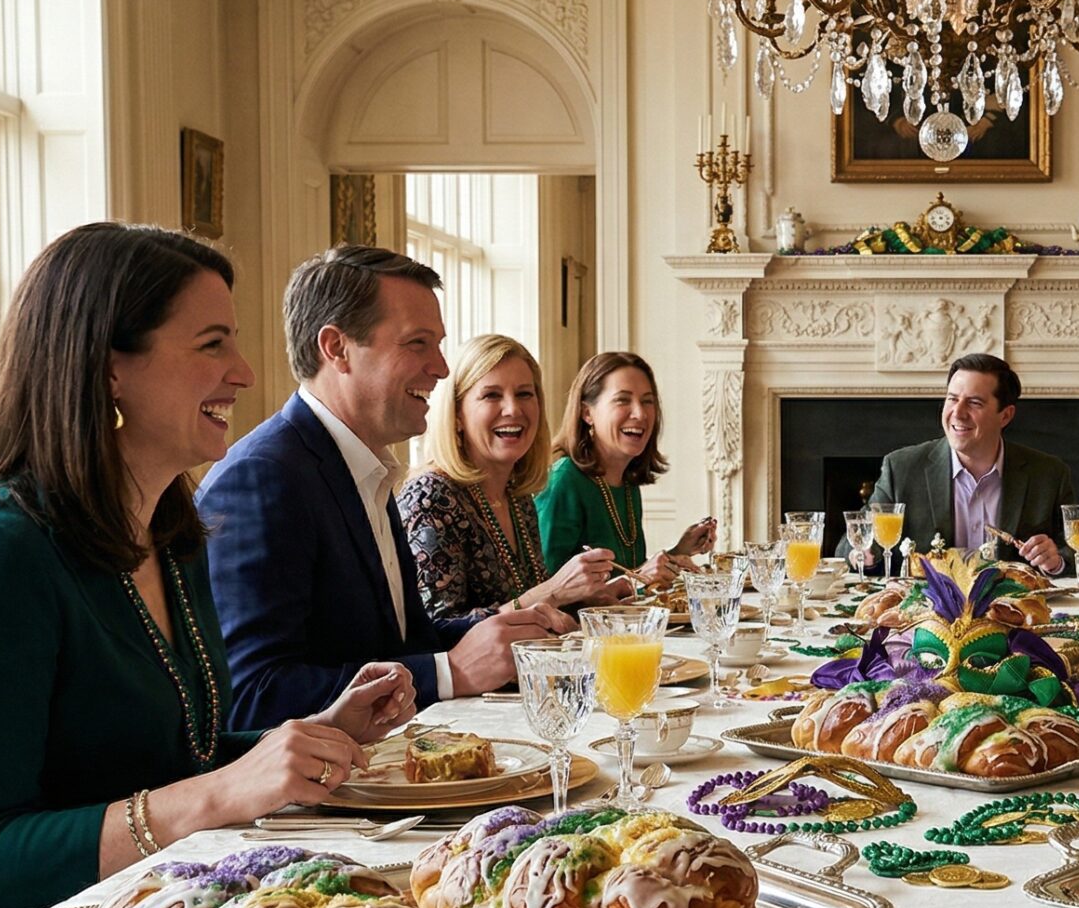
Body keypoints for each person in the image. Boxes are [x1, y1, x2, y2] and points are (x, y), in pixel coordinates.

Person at [0, 224, 414, 908]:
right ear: (108, 367)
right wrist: (221, 792)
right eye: (212, 344)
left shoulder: (170, 533)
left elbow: (161, 751)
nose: (245, 371)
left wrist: (311, 735)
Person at [199, 246, 570, 730]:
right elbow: (249, 698)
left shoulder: (365, 465)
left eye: (438, 344)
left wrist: (503, 633)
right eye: (417, 343)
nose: (440, 367)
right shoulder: (264, 477)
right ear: (336, 348)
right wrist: (449, 671)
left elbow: (392, 646)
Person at [399, 333, 631, 621]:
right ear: (457, 414)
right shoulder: (430, 496)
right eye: (491, 395)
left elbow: (531, 606)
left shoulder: (517, 495)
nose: (513, 409)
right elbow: (437, 634)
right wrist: (556, 591)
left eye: (524, 394)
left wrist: (585, 602)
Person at [854, 354, 1072, 574]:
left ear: (1005, 416)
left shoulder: (1049, 474)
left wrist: (1056, 561)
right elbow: (854, 541)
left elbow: (1076, 551)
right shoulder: (901, 468)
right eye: (952, 399)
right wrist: (863, 555)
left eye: (974, 403)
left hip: (1014, 606)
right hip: (926, 606)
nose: (957, 413)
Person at [534, 350, 716, 583]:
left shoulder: (627, 482)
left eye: (647, 401)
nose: (640, 413)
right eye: (623, 400)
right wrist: (638, 580)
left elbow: (627, 573)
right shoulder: (564, 481)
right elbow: (546, 594)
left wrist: (677, 553)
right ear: (587, 413)